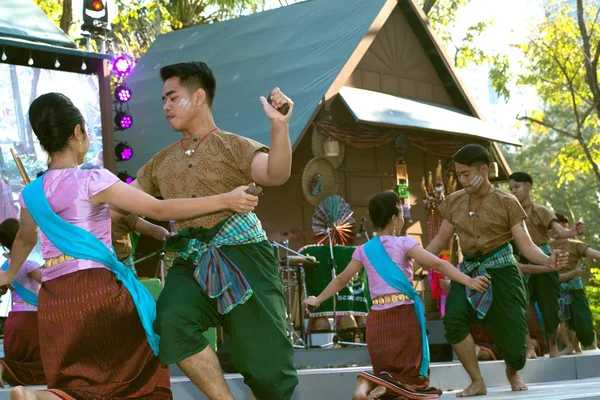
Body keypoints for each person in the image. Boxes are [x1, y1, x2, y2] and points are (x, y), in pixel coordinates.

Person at [0, 92, 259, 400]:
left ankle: (36, 397)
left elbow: (25, 238)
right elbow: (158, 209)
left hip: (56, 302)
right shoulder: (92, 179)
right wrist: (226, 199)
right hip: (99, 291)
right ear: (77, 133)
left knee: (77, 386)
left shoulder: (31, 193)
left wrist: (6, 276)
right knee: (139, 374)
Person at [128, 62, 297, 400]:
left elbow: (275, 174)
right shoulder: (160, 162)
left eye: (172, 97)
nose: (165, 106)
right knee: (172, 320)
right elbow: (128, 201)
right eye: (163, 99)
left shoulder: (234, 145)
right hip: (191, 257)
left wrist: (279, 126)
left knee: (269, 371)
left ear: (199, 96)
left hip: (245, 255)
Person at [304, 191, 489, 400]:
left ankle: (365, 385)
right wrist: (468, 280)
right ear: (394, 218)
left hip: (378, 322)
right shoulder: (404, 243)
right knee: (414, 379)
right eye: (401, 214)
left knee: (385, 372)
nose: (402, 218)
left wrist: (317, 299)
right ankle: (388, 387)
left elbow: (340, 280)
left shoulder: (363, 250)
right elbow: (437, 263)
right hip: (403, 317)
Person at [426, 144, 567, 397]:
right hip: (468, 272)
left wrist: (548, 262)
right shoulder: (454, 202)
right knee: (453, 321)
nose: (462, 180)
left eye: (467, 174)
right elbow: (439, 241)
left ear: (485, 169)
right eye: (458, 174)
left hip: (503, 272)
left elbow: (526, 244)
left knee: (515, 348)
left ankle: (513, 371)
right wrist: (411, 262)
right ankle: (477, 381)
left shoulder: (507, 202)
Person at [508, 172, 584, 357]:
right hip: (520, 260)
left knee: (550, 308)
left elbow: (560, 231)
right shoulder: (510, 212)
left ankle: (553, 346)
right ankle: (529, 347)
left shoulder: (541, 210)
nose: (513, 191)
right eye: (511, 189)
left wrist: (572, 231)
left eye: (517, 187)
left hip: (544, 259)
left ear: (528, 186)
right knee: (520, 304)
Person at [0, 218, 45, 387]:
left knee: (19, 362)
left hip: (12, 323)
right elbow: (47, 282)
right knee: (41, 365)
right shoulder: (28, 265)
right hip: (31, 320)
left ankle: (3, 366)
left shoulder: (4, 268)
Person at [551, 213, 599, 353]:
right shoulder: (545, 248)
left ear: (565, 226)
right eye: (550, 226)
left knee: (584, 327)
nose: (553, 229)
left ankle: (575, 342)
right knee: (558, 319)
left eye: (556, 224)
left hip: (575, 289)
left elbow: (595, 253)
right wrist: (573, 273)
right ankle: (568, 346)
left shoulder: (575, 245)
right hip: (555, 290)